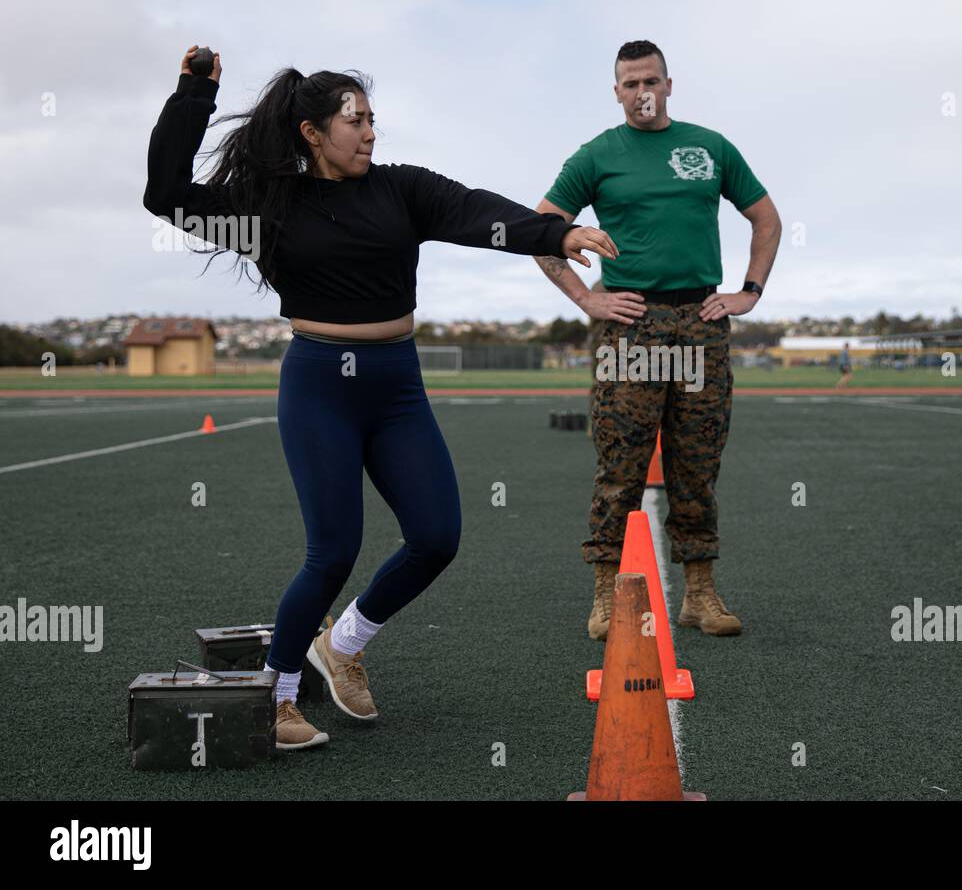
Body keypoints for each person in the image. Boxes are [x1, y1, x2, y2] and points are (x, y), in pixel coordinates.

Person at [143, 45, 618, 749]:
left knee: (436, 537)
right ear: (312, 133)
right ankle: (273, 699)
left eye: (372, 120)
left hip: (396, 385)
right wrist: (193, 95)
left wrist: (556, 230)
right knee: (332, 551)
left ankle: (344, 644)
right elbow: (166, 195)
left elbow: (472, 210)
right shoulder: (268, 207)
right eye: (355, 120)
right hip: (317, 385)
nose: (369, 132)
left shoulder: (401, 189)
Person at [531, 40, 781, 640]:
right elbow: (541, 231)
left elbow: (766, 218)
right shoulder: (597, 155)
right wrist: (587, 299)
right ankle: (605, 597)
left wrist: (749, 291)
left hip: (701, 321)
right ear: (616, 92)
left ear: (669, 84)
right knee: (621, 463)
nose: (640, 91)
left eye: (650, 80)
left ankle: (700, 594)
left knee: (697, 461)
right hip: (631, 326)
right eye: (628, 84)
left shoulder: (710, 147)